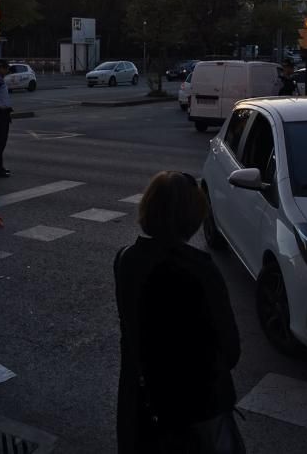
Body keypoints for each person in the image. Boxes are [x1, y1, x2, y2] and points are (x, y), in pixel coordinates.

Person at [114, 172, 244, 454]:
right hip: (200, 411)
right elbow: (230, 350)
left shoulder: (127, 259)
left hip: (143, 406)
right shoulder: (200, 270)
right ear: (192, 216)